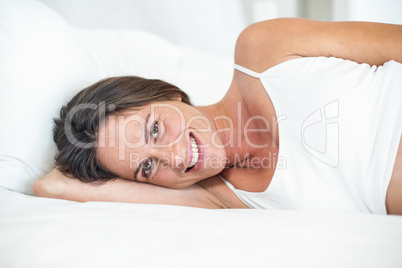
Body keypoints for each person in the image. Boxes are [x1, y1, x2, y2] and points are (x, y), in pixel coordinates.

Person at [34, 18, 402, 215]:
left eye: (156, 129)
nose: (175, 158)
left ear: (168, 93)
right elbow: (50, 187)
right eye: (146, 167)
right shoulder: (222, 198)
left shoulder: (264, 49)